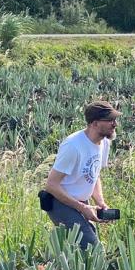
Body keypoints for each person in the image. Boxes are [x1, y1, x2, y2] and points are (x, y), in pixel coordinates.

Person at [42, 100, 120, 249]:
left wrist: (100, 202)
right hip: (60, 203)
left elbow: (95, 174)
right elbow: (51, 185)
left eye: (115, 120)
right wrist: (82, 208)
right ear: (94, 123)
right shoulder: (73, 146)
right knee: (92, 249)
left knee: (82, 248)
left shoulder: (104, 143)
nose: (114, 124)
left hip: (82, 202)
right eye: (110, 120)